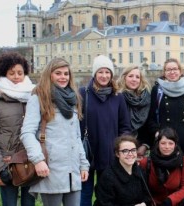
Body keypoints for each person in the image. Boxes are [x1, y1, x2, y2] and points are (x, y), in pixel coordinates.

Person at [20, 58, 90, 206]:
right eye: (58, 73)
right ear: (49, 74)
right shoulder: (39, 97)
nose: (63, 77)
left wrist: (83, 164)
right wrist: (38, 160)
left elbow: (77, 136)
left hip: (73, 169)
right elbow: (27, 133)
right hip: (51, 167)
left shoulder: (74, 98)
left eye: (66, 73)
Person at [79, 55, 131, 206]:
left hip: (109, 154)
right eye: (100, 72)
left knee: (106, 196)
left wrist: (121, 148)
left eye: (107, 72)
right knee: (84, 194)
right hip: (87, 153)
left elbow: (125, 126)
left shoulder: (118, 97)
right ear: (94, 74)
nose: (104, 76)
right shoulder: (83, 94)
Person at [0, 52, 36, 206]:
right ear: (4, 74)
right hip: (7, 163)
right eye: (11, 73)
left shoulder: (33, 96)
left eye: (20, 73)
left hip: (30, 161)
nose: (16, 77)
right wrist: (0, 166)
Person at [148, 58, 184, 154]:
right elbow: (151, 116)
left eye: (175, 69)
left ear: (180, 71)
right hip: (165, 141)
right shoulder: (157, 90)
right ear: (164, 72)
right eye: (168, 70)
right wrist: (157, 132)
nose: (172, 72)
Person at [139, 127, 184, 206]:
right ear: (158, 144)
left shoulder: (182, 160)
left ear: (175, 145)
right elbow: (141, 189)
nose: (167, 147)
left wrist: (170, 200)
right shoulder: (146, 162)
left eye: (170, 143)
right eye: (163, 143)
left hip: (175, 202)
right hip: (155, 203)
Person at [94, 135, 151, 206]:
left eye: (133, 150)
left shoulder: (140, 171)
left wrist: (144, 203)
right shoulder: (108, 176)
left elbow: (148, 196)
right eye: (125, 151)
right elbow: (105, 203)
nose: (130, 154)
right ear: (117, 154)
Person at [117, 66, 151, 157]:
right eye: (130, 76)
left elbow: (149, 124)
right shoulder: (117, 97)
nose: (134, 79)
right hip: (121, 145)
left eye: (137, 77)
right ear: (124, 78)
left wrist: (145, 145)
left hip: (141, 147)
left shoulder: (146, 98)